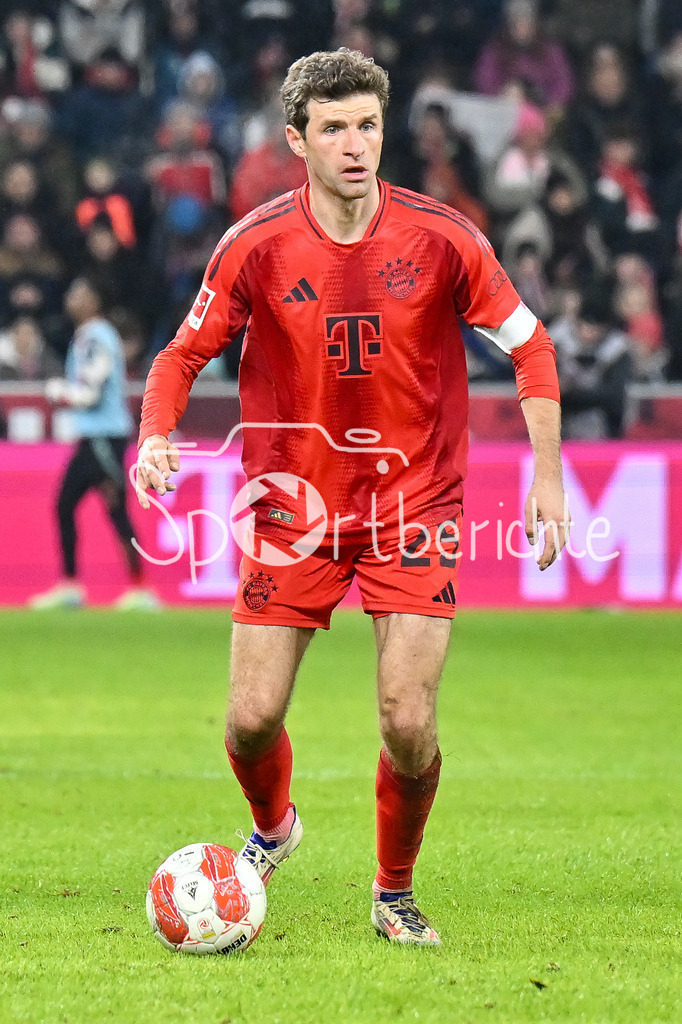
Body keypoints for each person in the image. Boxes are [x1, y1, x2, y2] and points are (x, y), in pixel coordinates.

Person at [135, 48, 567, 946]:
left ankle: (394, 891)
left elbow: (532, 348)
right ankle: (273, 828)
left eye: (368, 124)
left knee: (409, 721)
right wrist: (154, 434)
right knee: (250, 722)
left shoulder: (444, 238)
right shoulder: (254, 244)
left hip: (416, 505)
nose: (355, 144)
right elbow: (180, 356)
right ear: (297, 140)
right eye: (333, 128)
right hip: (292, 509)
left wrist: (548, 474)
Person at [30, 275, 158, 610]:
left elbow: (91, 392)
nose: (71, 298)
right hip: (98, 437)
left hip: (102, 437)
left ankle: (128, 588)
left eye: (79, 292)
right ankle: (91, 585)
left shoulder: (97, 337)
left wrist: (60, 392)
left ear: (94, 300)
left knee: (87, 507)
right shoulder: (89, 336)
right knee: (82, 507)